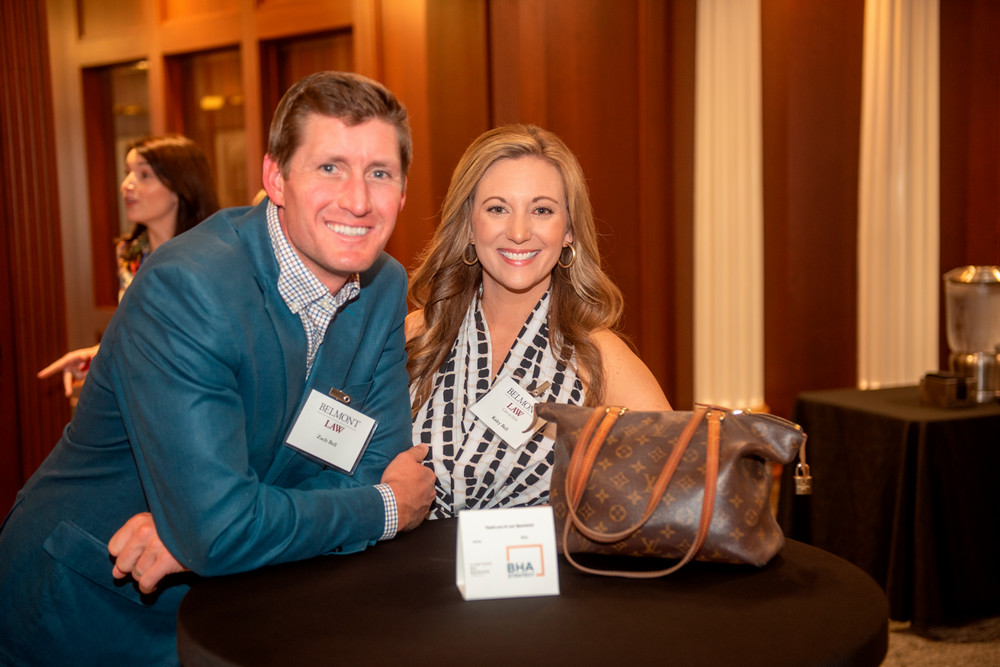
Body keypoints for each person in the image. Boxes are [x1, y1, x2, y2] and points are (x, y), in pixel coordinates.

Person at [0, 71, 434, 665]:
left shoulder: (384, 285)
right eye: (329, 167)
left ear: (404, 191)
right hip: (90, 609)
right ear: (275, 179)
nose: (358, 200)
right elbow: (368, 494)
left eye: (379, 173)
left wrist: (209, 527)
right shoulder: (191, 286)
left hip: (241, 604)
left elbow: (369, 466)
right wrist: (383, 508)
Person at [406, 124, 671, 518]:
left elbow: (675, 481)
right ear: (468, 225)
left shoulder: (597, 357)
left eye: (542, 210)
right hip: (415, 575)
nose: (518, 232)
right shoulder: (416, 337)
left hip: (543, 576)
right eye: (497, 208)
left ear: (568, 231)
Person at [37, 134, 220, 399]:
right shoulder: (130, 254)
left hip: (199, 395)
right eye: (127, 173)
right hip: (143, 395)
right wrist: (96, 357)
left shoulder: (215, 255)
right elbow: (140, 332)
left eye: (144, 175)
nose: (127, 185)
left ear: (182, 187)